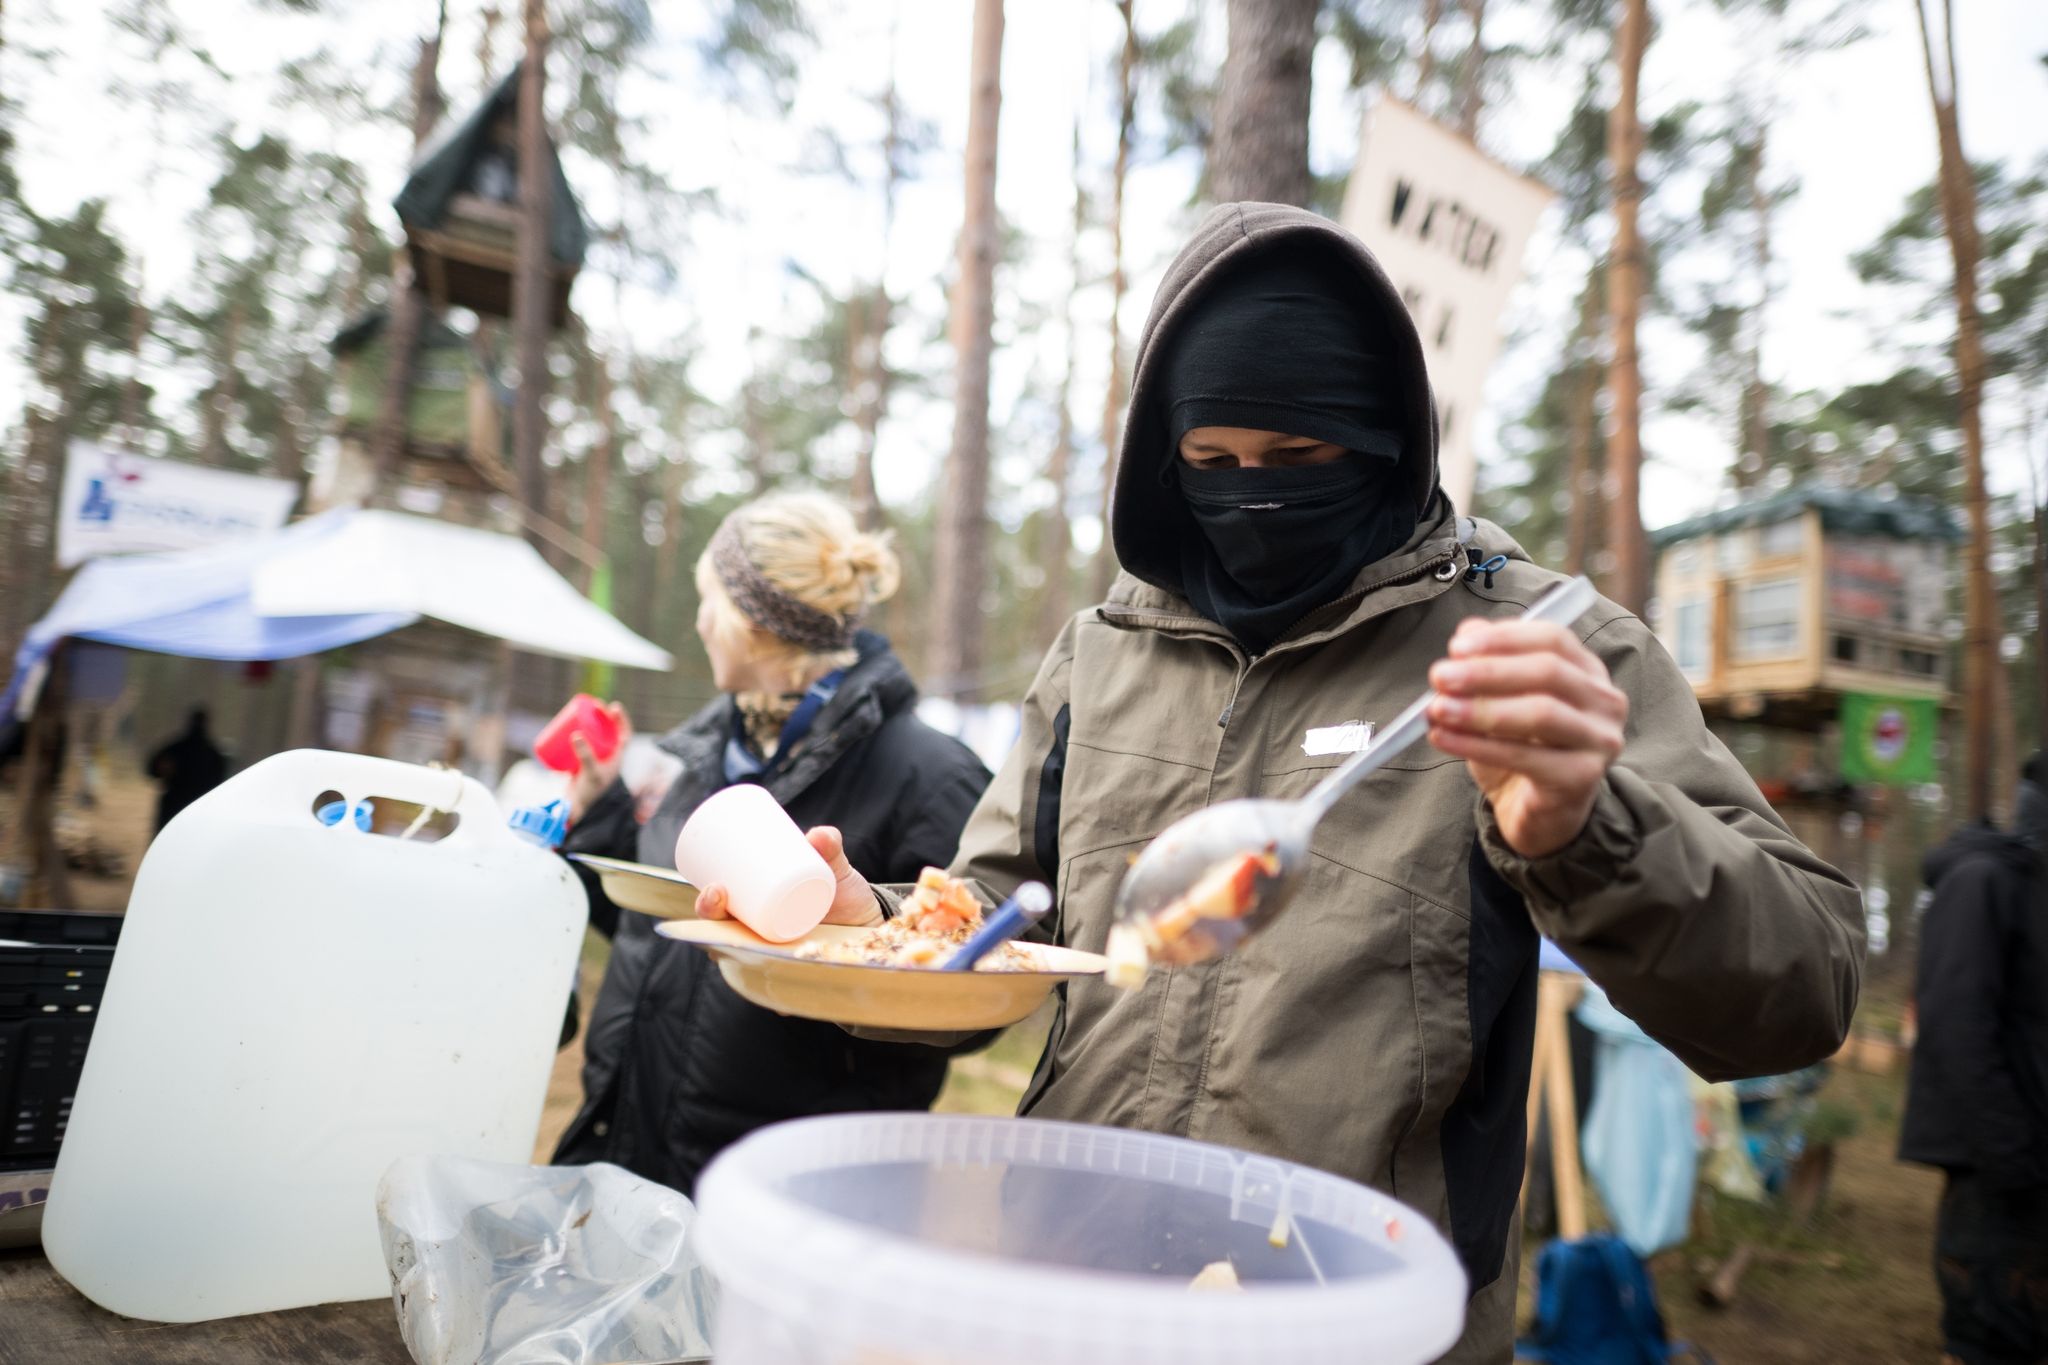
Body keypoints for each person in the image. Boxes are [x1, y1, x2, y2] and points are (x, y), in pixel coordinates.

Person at [700, 204, 1864, 1362]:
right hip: (1068, 1297)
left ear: (1385, 439)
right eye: (1210, 463)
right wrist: (876, 931)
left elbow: (1803, 986)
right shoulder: (1101, 654)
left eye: (1299, 461)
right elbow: (989, 920)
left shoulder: (1533, 658)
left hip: (1353, 1321)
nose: (1250, 494)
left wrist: (1583, 826)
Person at [552, 491, 990, 1195]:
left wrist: (851, 941)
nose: (698, 621)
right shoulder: (691, 753)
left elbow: (971, 1007)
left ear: (750, 621)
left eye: (707, 599)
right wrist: (602, 812)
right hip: (627, 1152)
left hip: (787, 1193)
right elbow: (654, 934)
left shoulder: (934, 778)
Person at [1900, 754, 2048, 1365]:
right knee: (1991, 1336)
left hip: (2033, 1165)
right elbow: (1956, 1026)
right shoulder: (1983, 881)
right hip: (2001, 1173)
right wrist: (2011, 1156)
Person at [147, 708, 226, 832]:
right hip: (198, 810)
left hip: (173, 807)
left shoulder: (175, 749)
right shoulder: (214, 755)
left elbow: (152, 770)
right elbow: (220, 784)